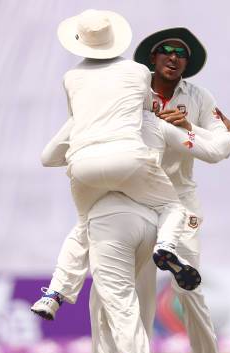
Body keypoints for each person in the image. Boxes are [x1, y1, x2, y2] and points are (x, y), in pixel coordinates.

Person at [32, 27, 230, 353]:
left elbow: (218, 144)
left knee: (187, 292)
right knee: (118, 305)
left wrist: (189, 128)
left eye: (182, 53)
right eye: (166, 51)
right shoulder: (126, 94)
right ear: (150, 60)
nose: (175, 57)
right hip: (132, 204)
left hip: (175, 202)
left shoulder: (197, 98)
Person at [35, 10, 201, 326]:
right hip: (128, 158)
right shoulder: (138, 72)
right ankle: (165, 246)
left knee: (83, 226)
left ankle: (54, 293)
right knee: (171, 206)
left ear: (81, 42)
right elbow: (147, 112)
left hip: (82, 164)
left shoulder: (70, 78)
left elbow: (69, 130)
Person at [58, 191, 176, 353]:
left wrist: (58, 288)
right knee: (114, 312)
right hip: (150, 224)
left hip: (113, 223)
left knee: (122, 315)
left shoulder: (97, 157)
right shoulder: (147, 160)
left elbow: (49, 157)